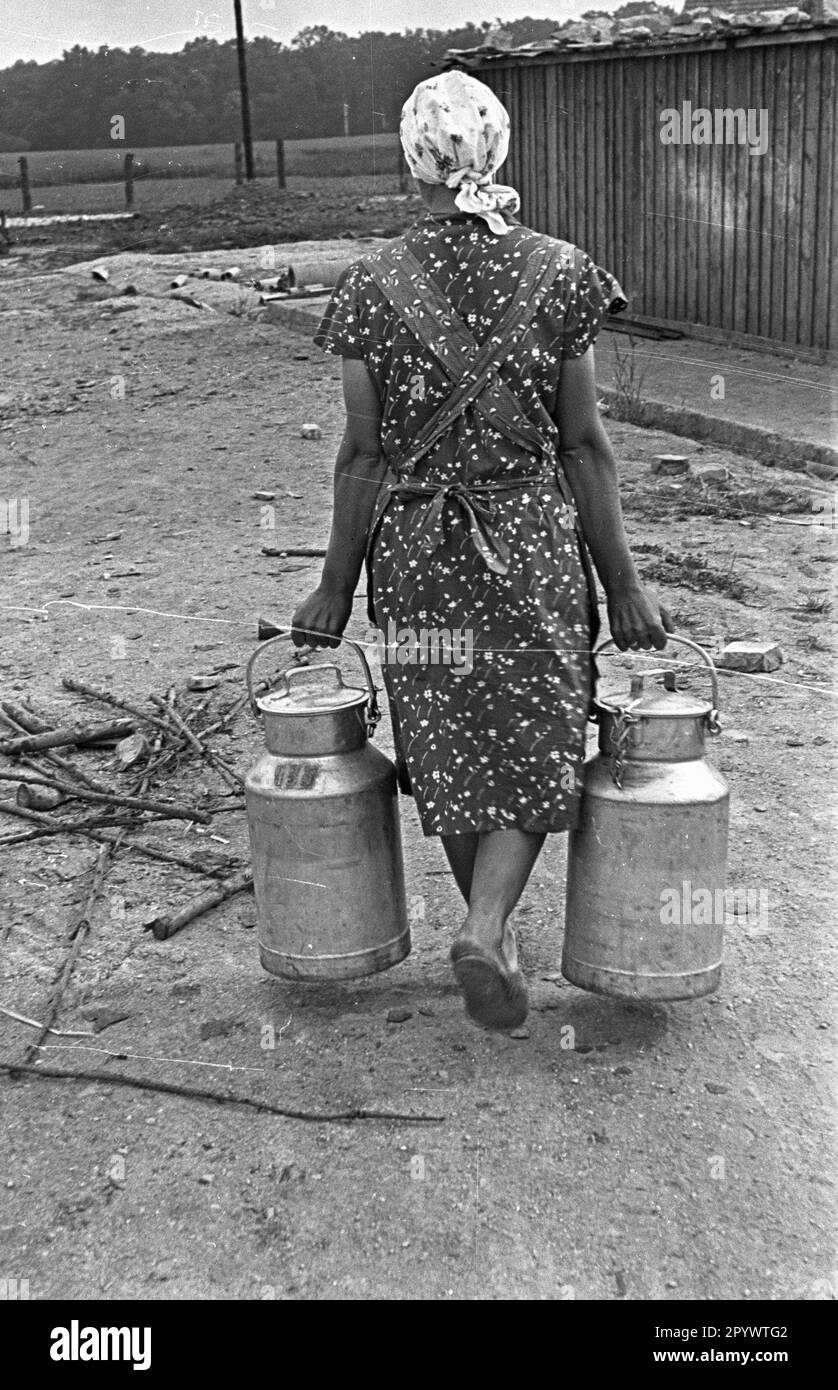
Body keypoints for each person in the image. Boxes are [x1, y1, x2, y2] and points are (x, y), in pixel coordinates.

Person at [292, 70, 673, 1031]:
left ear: (412, 159)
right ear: (497, 151)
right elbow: (585, 446)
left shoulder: (371, 285)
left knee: (450, 737)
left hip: (418, 551)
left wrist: (334, 586)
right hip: (532, 546)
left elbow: (363, 453)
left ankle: (484, 924)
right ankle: (489, 924)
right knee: (540, 732)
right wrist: (623, 588)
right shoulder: (561, 272)